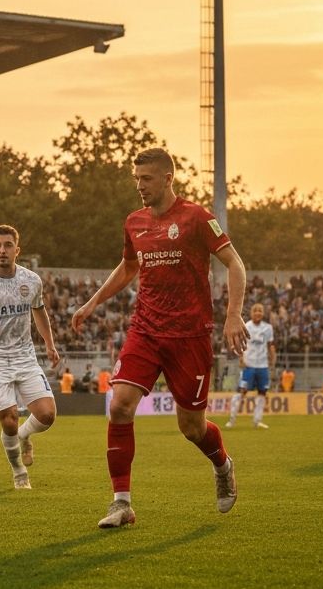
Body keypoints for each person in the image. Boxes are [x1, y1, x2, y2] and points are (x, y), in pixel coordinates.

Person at [71, 147, 247, 529]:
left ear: (168, 178)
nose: (139, 186)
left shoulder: (196, 217)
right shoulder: (134, 222)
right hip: (146, 330)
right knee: (119, 406)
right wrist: (91, 303)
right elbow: (129, 266)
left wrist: (233, 315)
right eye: (136, 179)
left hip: (190, 336)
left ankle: (222, 464)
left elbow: (235, 263)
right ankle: (122, 503)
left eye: (146, 179)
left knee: (192, 428)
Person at [0, 225, 60, 490]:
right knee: (9, 419)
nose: (2, 250)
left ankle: (25, 436)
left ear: (17, 250)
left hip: (25, 356)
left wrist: (49, 344)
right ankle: (19, 472)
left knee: (47, 415)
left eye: (7, 245)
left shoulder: (32, 280)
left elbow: (39, 312)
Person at [226, 302, 275, 430]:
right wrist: (241, 358)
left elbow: (271, 346)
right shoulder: (246, 326)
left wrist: (272, 360)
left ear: (263, 313)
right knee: (242, 391)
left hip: (263, 366)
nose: (258, 313)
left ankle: (257, 420)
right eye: (255, 311)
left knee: (262, 392)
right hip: (249, 364)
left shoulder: (268, 328)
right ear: (252, 313)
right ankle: (232, 419)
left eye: (260, 311)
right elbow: (239, 343)